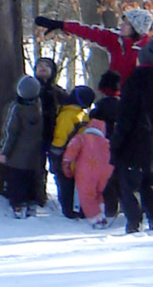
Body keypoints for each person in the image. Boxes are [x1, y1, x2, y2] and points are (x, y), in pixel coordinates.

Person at [110, 39, 153, 234]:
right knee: (151, 183)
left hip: (133, 143)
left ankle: (134, 223)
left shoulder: (133, 82)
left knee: (130, 186)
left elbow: (125, 116)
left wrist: (116, 143)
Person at [35, 8, 153, 85]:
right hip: (114, 99)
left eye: (126, 24)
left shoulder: (148, 51)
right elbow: (89, 32)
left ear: (137, 29)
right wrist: (61, 25)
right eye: (123, 22)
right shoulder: (116, 40)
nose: (122, 25)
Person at [0, 75, 43, 219]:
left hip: (17, 156)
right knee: (31, 180)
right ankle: (32, 204)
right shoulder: (39, 107)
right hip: (34, 155)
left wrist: (3, 152)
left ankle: (18, 206)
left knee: (17, 181)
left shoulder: (16, 109)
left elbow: (9, 132)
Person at [50, 85, 95, 218]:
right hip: (82, 156)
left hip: (66, 156)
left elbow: (61, 136)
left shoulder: (67, 115)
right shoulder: (84, 116)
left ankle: (69, 210)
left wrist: (55, 153)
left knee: (65, 184)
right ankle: (81, 209)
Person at [62, 118, 114, 229]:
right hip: (105, 173)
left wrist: (66, 164)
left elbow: (71, 151)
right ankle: (101, 212)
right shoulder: (106, 142)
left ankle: (96, 219)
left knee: (86, 195)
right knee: (98, 194)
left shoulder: (81, 138)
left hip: (86, 171)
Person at [34, 57, 69, 205]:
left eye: (46, 66)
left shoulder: (58, 92)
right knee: (37, 167)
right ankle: (38, 196)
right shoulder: (32, 90)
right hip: (37, 135)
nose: (42, 68)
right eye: (40, 66)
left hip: (56, 136)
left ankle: (64, 198)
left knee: (59, 168)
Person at [90, 70, 122, 217]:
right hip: (122, 145)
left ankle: (111, 209)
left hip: (104, 145)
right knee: (121, 178)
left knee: (108, 179)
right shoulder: (124, 105)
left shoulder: (100, 107)